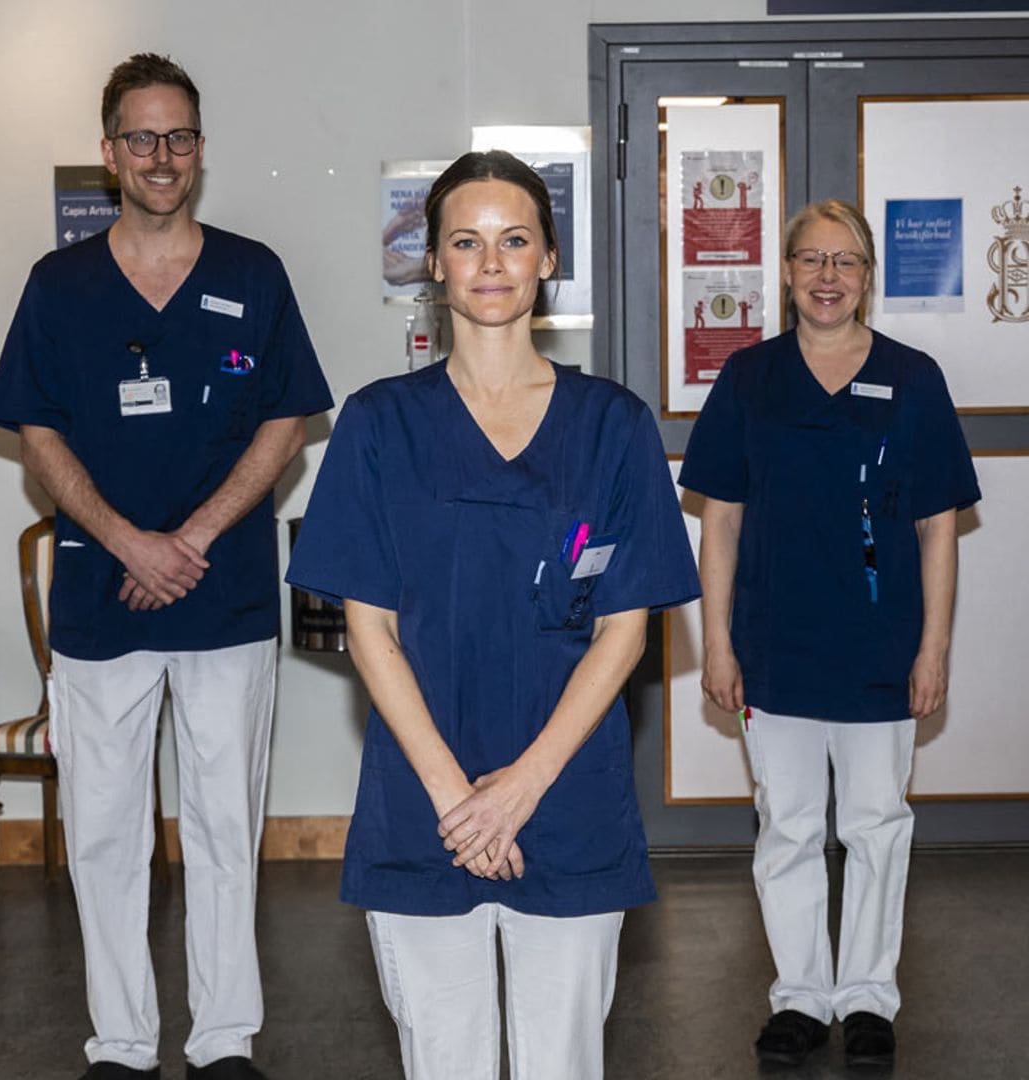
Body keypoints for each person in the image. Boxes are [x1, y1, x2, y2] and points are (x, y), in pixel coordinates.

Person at [286, 150, 700, 1080]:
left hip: (570, 793)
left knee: (563, 1061)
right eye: (465, 242)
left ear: (548, 257)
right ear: (433, 262)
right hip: (422, 801)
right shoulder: (378, 424)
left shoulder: (614, 424)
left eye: (514, 240)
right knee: (444, 1061)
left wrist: (516, 791)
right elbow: (369, 627)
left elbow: (626, 629)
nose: (491, 263)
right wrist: (458, 801)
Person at [0, 53, 332, 1080]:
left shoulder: (252, 273)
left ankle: (223, 1039)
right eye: (141, 137)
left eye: (178, 137)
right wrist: (133, 541)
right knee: (104, 838)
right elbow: (36, 432)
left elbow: (287, 420)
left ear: (200, 150)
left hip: (222, 598)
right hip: (101, 597)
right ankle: (122, 1044)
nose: (162, 156)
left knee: (226, 829)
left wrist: (193, 540)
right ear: (109, 153)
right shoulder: (61, 286)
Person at [679, 200, 980, 1069]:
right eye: (810, 259)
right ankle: (803, 995)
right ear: (783, 272)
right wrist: (720, 643)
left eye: (845, 262)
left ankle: (868, 998)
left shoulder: (914, 379)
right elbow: (721, 522)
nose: (827, 277)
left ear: (868, 275)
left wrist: (934, 649)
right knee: (789, 826)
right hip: (774, 645)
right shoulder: (748, 378)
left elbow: (937, 529)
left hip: (881, 647)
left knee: (879, 822)